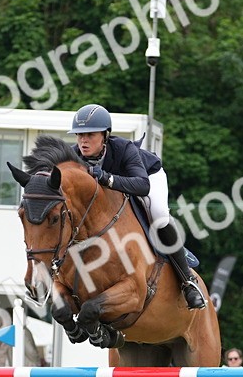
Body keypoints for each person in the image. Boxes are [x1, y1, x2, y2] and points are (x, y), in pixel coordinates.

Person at [68, 103, 206, 309]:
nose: (83, 141)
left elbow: (142, 185)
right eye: (79, 135)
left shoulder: (124, 149)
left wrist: (106, 178)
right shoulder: (72, 156)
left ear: (105, 135)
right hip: (114, 190)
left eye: (90, 135)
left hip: (148, 176)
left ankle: (187, 281)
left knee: (158, 215)